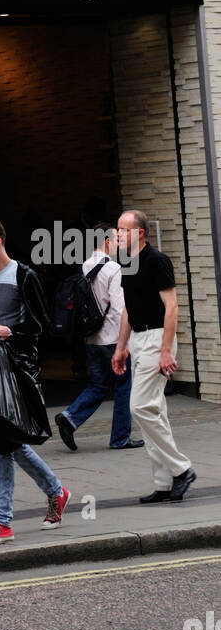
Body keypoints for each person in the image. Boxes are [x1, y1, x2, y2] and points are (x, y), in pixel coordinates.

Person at [0, 218, 69, 546]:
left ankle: (4, 522)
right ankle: (55, 491)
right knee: (5, 439)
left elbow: (43, 325)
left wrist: (13, 331)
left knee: (1, 442)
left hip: (16, 367)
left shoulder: (24, 276)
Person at [112, 209, 195, 504]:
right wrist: (121, 347)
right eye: (117, 229)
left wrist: (164, 350)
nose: (117, 234)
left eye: (123, 229)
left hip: (157, 339)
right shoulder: (125, 262)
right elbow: (127, 309)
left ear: (140, 234)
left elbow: (171, 307)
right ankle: (163, 482)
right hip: (137, 340)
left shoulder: (157, 261)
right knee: (154, 411)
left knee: (141, 407)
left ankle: (182, 469)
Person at [54, 223, 143, 453]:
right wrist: (124, 342)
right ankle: (120, 438)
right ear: (106, 241)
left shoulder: (84, 266)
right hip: (113, 337)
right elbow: (120, 308)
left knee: (99, 384)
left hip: (91, 338)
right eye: (115, 239)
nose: (117, 243)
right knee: (123, 387)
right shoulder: (113, 268)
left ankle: (69, 417)